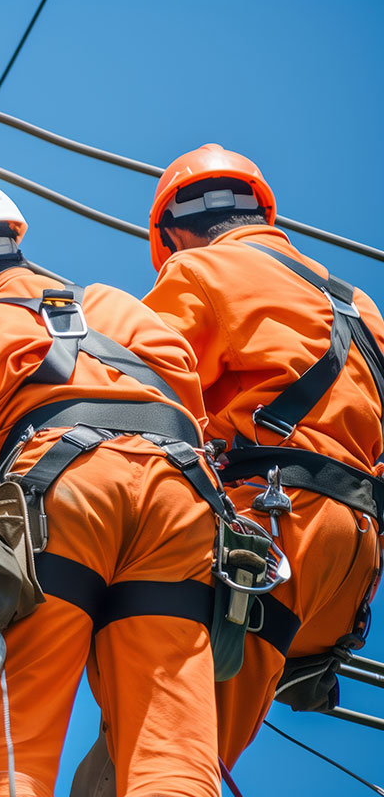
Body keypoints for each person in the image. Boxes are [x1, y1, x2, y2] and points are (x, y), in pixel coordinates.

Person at [0, 171, 221, 797]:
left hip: (63, 499)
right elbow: (189, 412)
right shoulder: (125, 309)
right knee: (169, 747)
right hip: (182, 503)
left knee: (1, 737)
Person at [142, 144, 384, 766]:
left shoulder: (197, 273)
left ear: (172, 233)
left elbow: (140, 396)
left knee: (162, 755)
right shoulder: (361, 307)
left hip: (272, 531)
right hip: (355, 558)